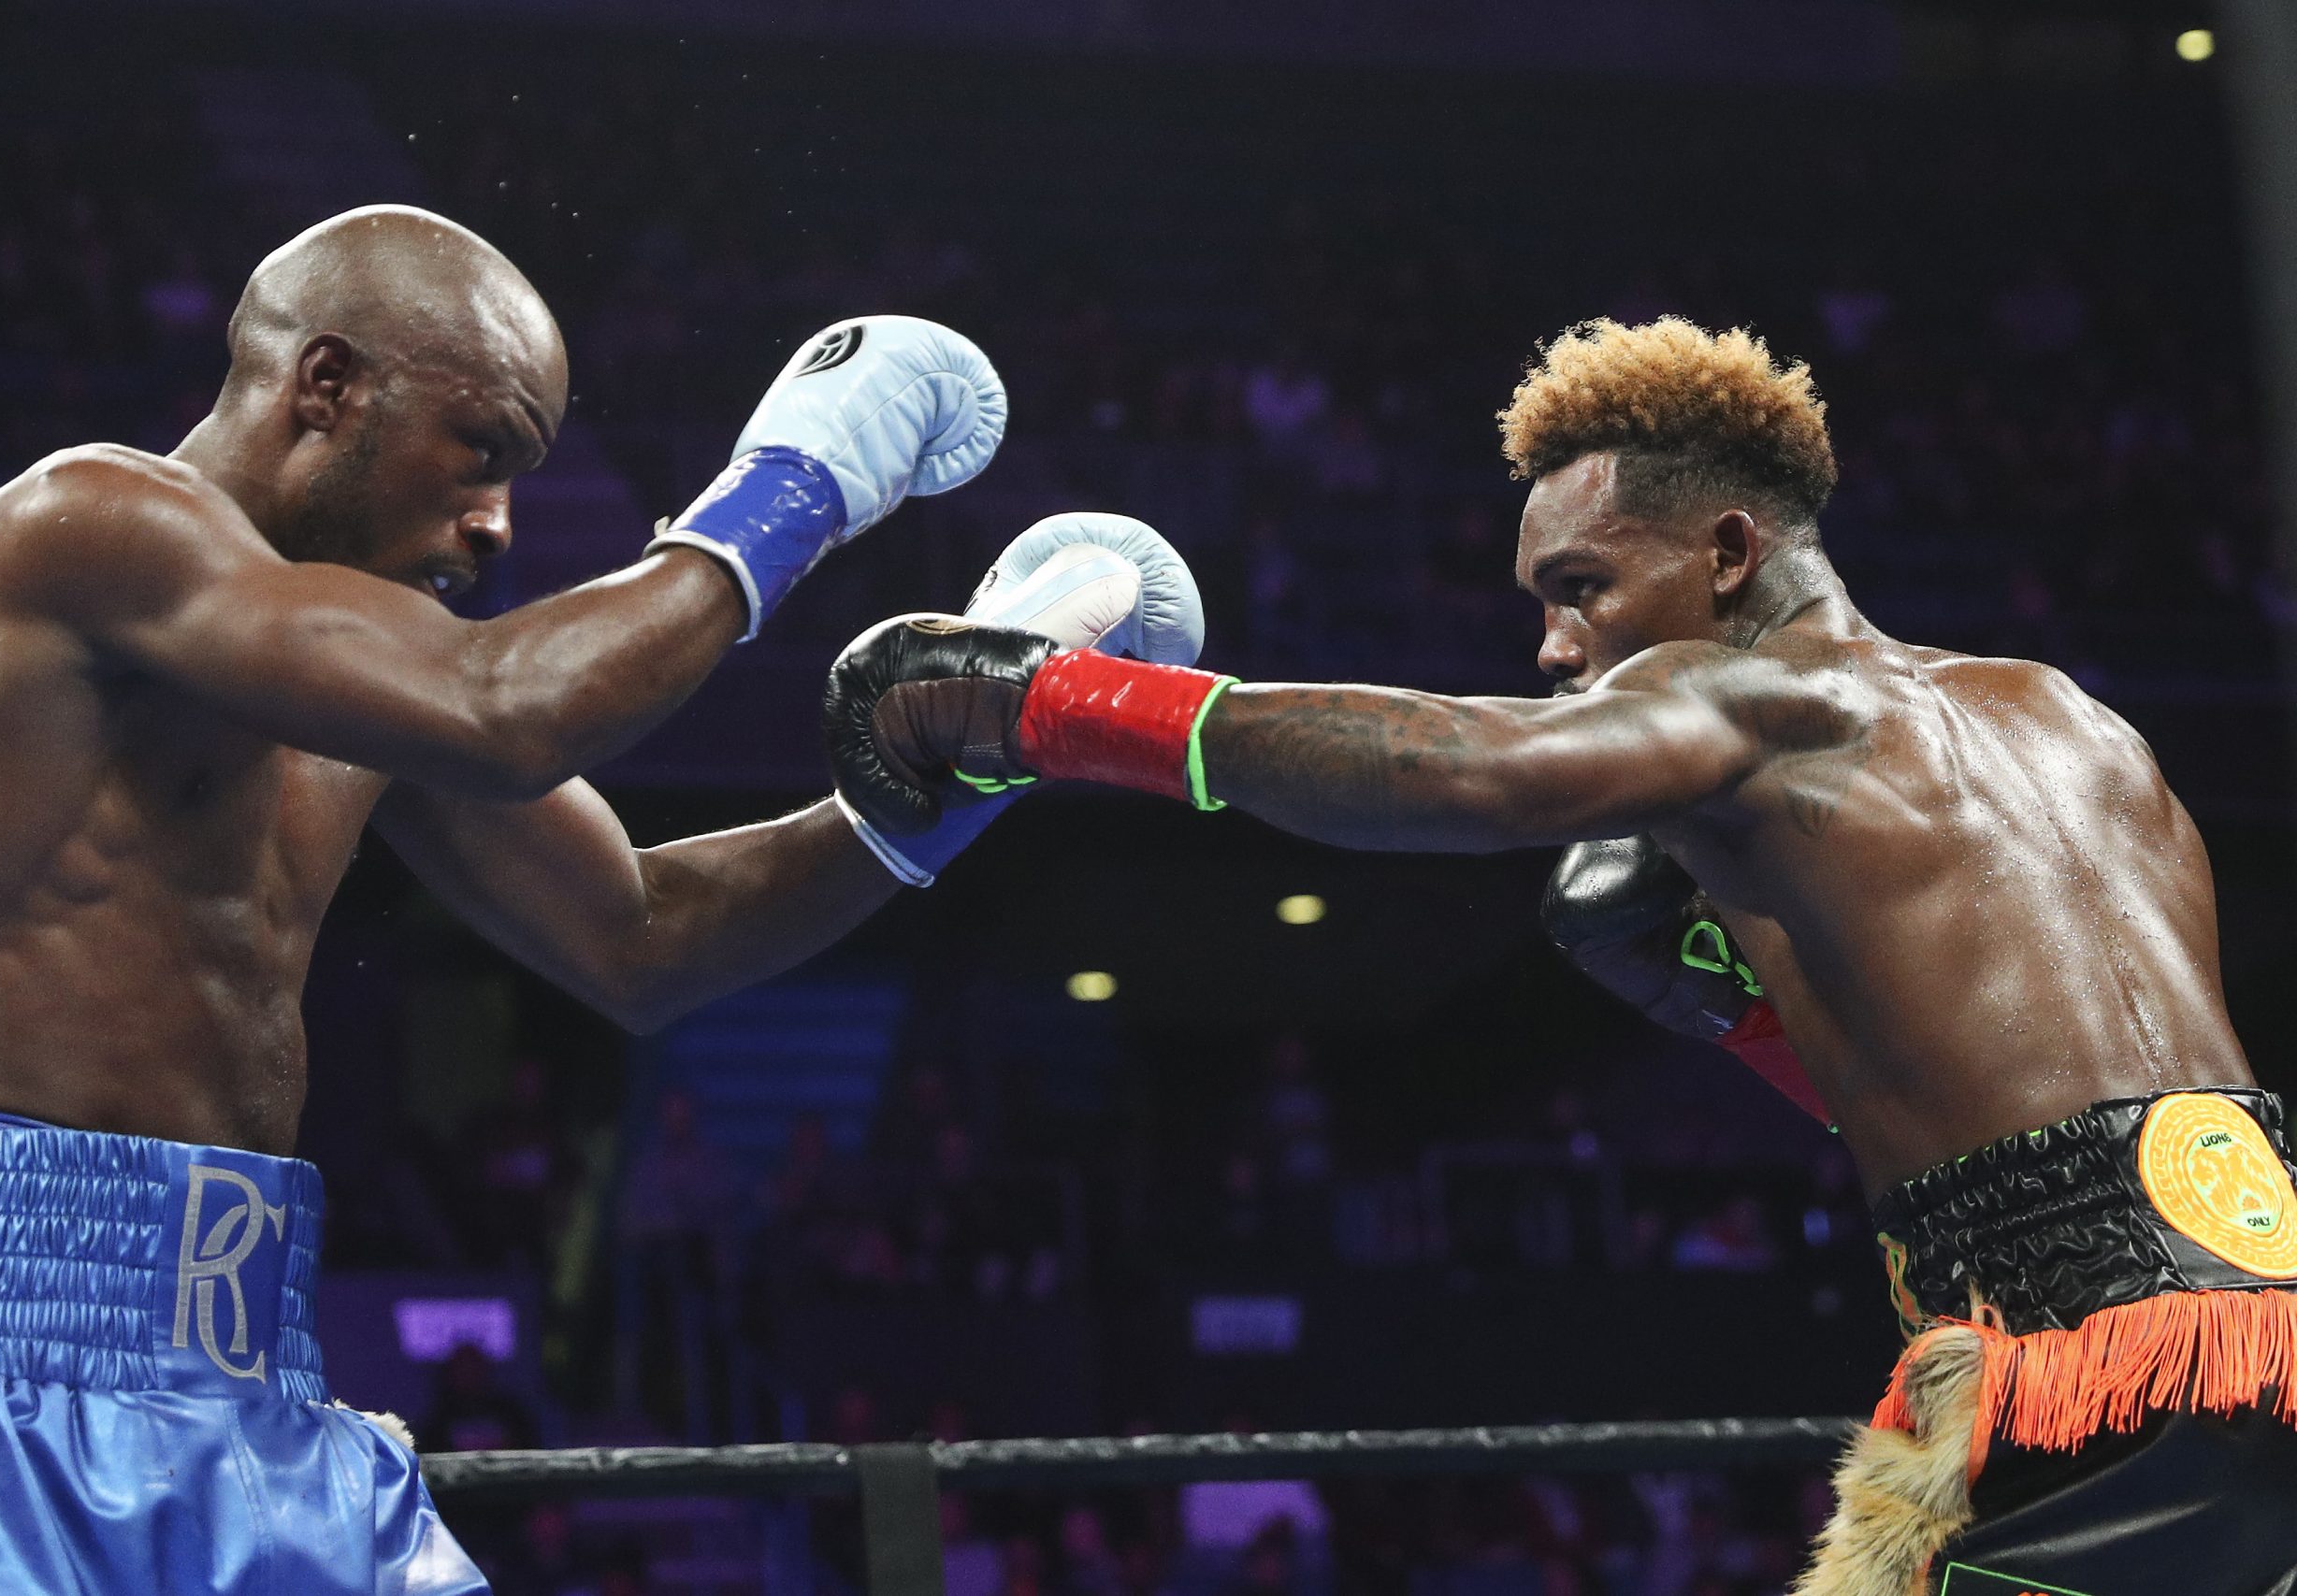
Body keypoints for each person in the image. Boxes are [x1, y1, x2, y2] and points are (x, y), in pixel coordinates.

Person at [826, 315, 2297, 1594]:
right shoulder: (2073, 721)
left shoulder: (1765, 708)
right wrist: (1745, 1015)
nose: (1553, 644)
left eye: (1581, 586)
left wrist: (1054, 703)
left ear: (1729, 554)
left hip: (2081, 1388)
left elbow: (1471, 774)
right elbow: (2035, 1104)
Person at [0, 200, 1199, 1594]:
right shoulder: (81, 527)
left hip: (256, 1380)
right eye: (482, 453)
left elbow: (642, 938)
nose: (498, 520)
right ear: (326, 386)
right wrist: (796, 486)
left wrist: (946, 787)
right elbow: (509, 711)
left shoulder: (372, 685)